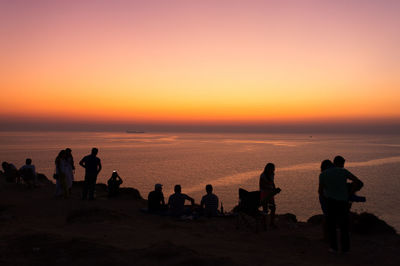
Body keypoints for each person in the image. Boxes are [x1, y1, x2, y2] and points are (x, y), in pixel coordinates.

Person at [319, 155, 363, 253]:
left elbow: (320, 191)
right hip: (343, 202)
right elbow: (357, 181)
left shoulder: (323, 174)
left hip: (330, 202)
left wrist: (325, 199)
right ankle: (345, 249)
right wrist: (350, 192)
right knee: (344, 227)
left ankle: (334, 248)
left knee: (332, 226)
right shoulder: (343, 172)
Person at [259, 163, 280, 228]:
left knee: (273, 208)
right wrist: (271, 189)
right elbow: (262, 186)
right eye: (273, 168)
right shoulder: (263, 176)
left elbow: (272, 183)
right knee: (265, 210)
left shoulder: (272, 174)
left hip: (270, 194)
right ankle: (264, 224)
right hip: (264, 194)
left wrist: (274, 189)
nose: (274, 170)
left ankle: (271, 223)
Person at [318, 159, 334, 241]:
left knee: (327, 216)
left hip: (324, 197)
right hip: (327, 197)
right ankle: (327, 236)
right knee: (329, 216)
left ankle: (326, 236)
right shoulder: (328, 175)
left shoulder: (323, 175)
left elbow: (320, 190)